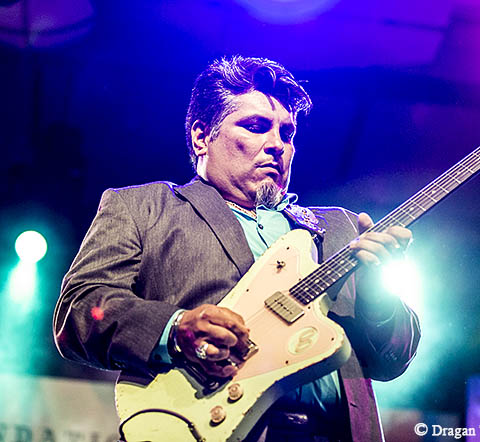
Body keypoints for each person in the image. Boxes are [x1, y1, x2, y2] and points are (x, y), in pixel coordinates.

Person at [53, 55, 420, 442]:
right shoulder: (143, 208)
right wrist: (175, 329)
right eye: (256, 126)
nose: (277, 145)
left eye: (287, 133)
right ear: (202, 137)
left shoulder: (341, 228)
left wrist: (378, 297)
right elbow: (80, 310)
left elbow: (392, 361)